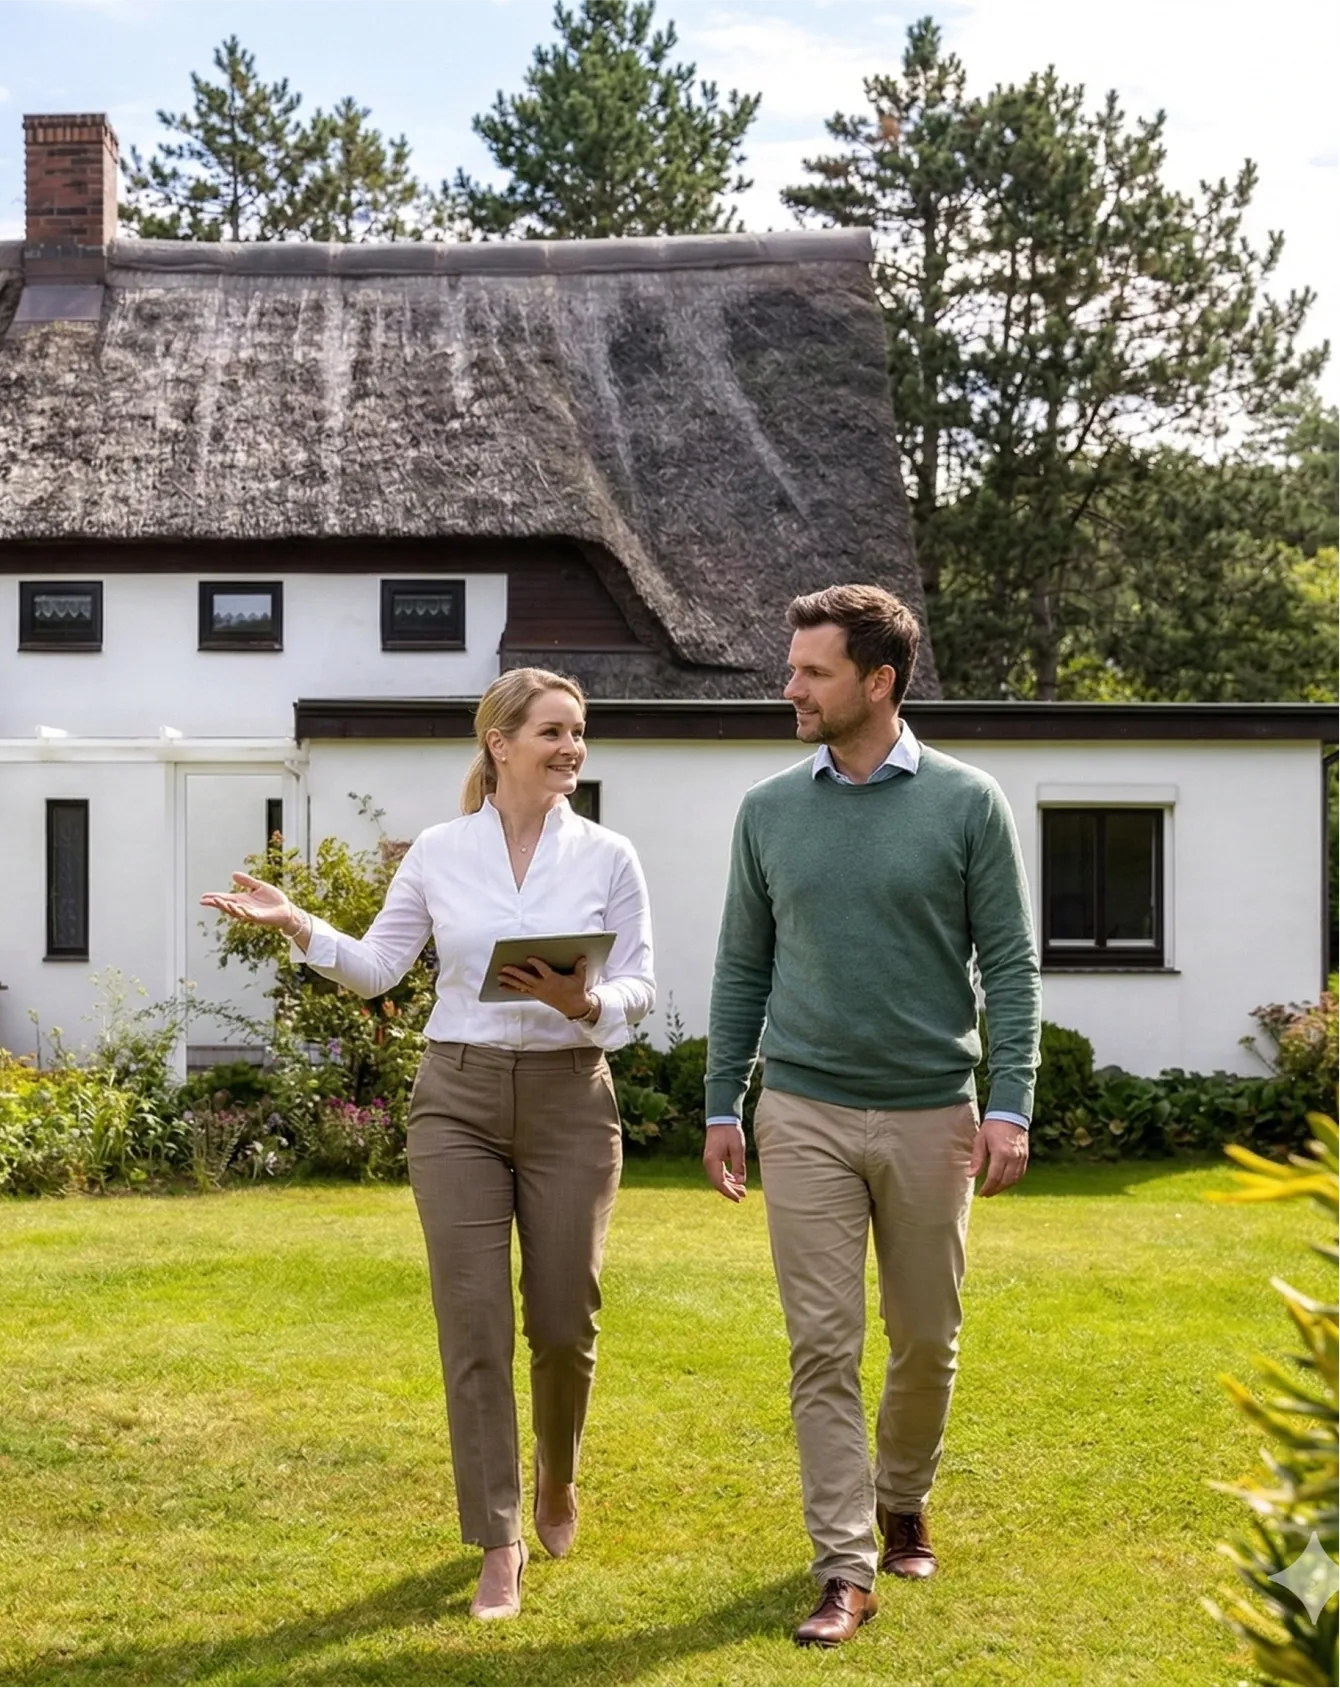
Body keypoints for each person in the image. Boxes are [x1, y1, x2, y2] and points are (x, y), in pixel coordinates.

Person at [202, 667, 654, 1622]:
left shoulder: (610, 856)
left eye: (579, 732)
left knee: (565, 1322)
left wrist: (587, 1001)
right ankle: (499, 1537)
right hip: (458, 1101)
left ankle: (558, 1474)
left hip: (573, 1101)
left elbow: (641, 990)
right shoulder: (441, 853)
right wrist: (298, 925)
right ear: (500, 744)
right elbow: (376, 970)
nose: (573, 747)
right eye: (554, 732)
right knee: (474, 1322)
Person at [702, 585, 1040, 1649]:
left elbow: (1012, 966)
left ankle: (902, 1493)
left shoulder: (965, 801)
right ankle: (845, 1564)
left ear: (877, 681)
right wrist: (723, 1099)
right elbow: (740, 965)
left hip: (929, 1112)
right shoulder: (766, 809)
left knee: (925, 1339)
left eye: (810, 671)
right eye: (791, 665)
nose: (787, 686)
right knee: (820, 1345)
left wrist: (1009, 1104)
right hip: (800, 1107)